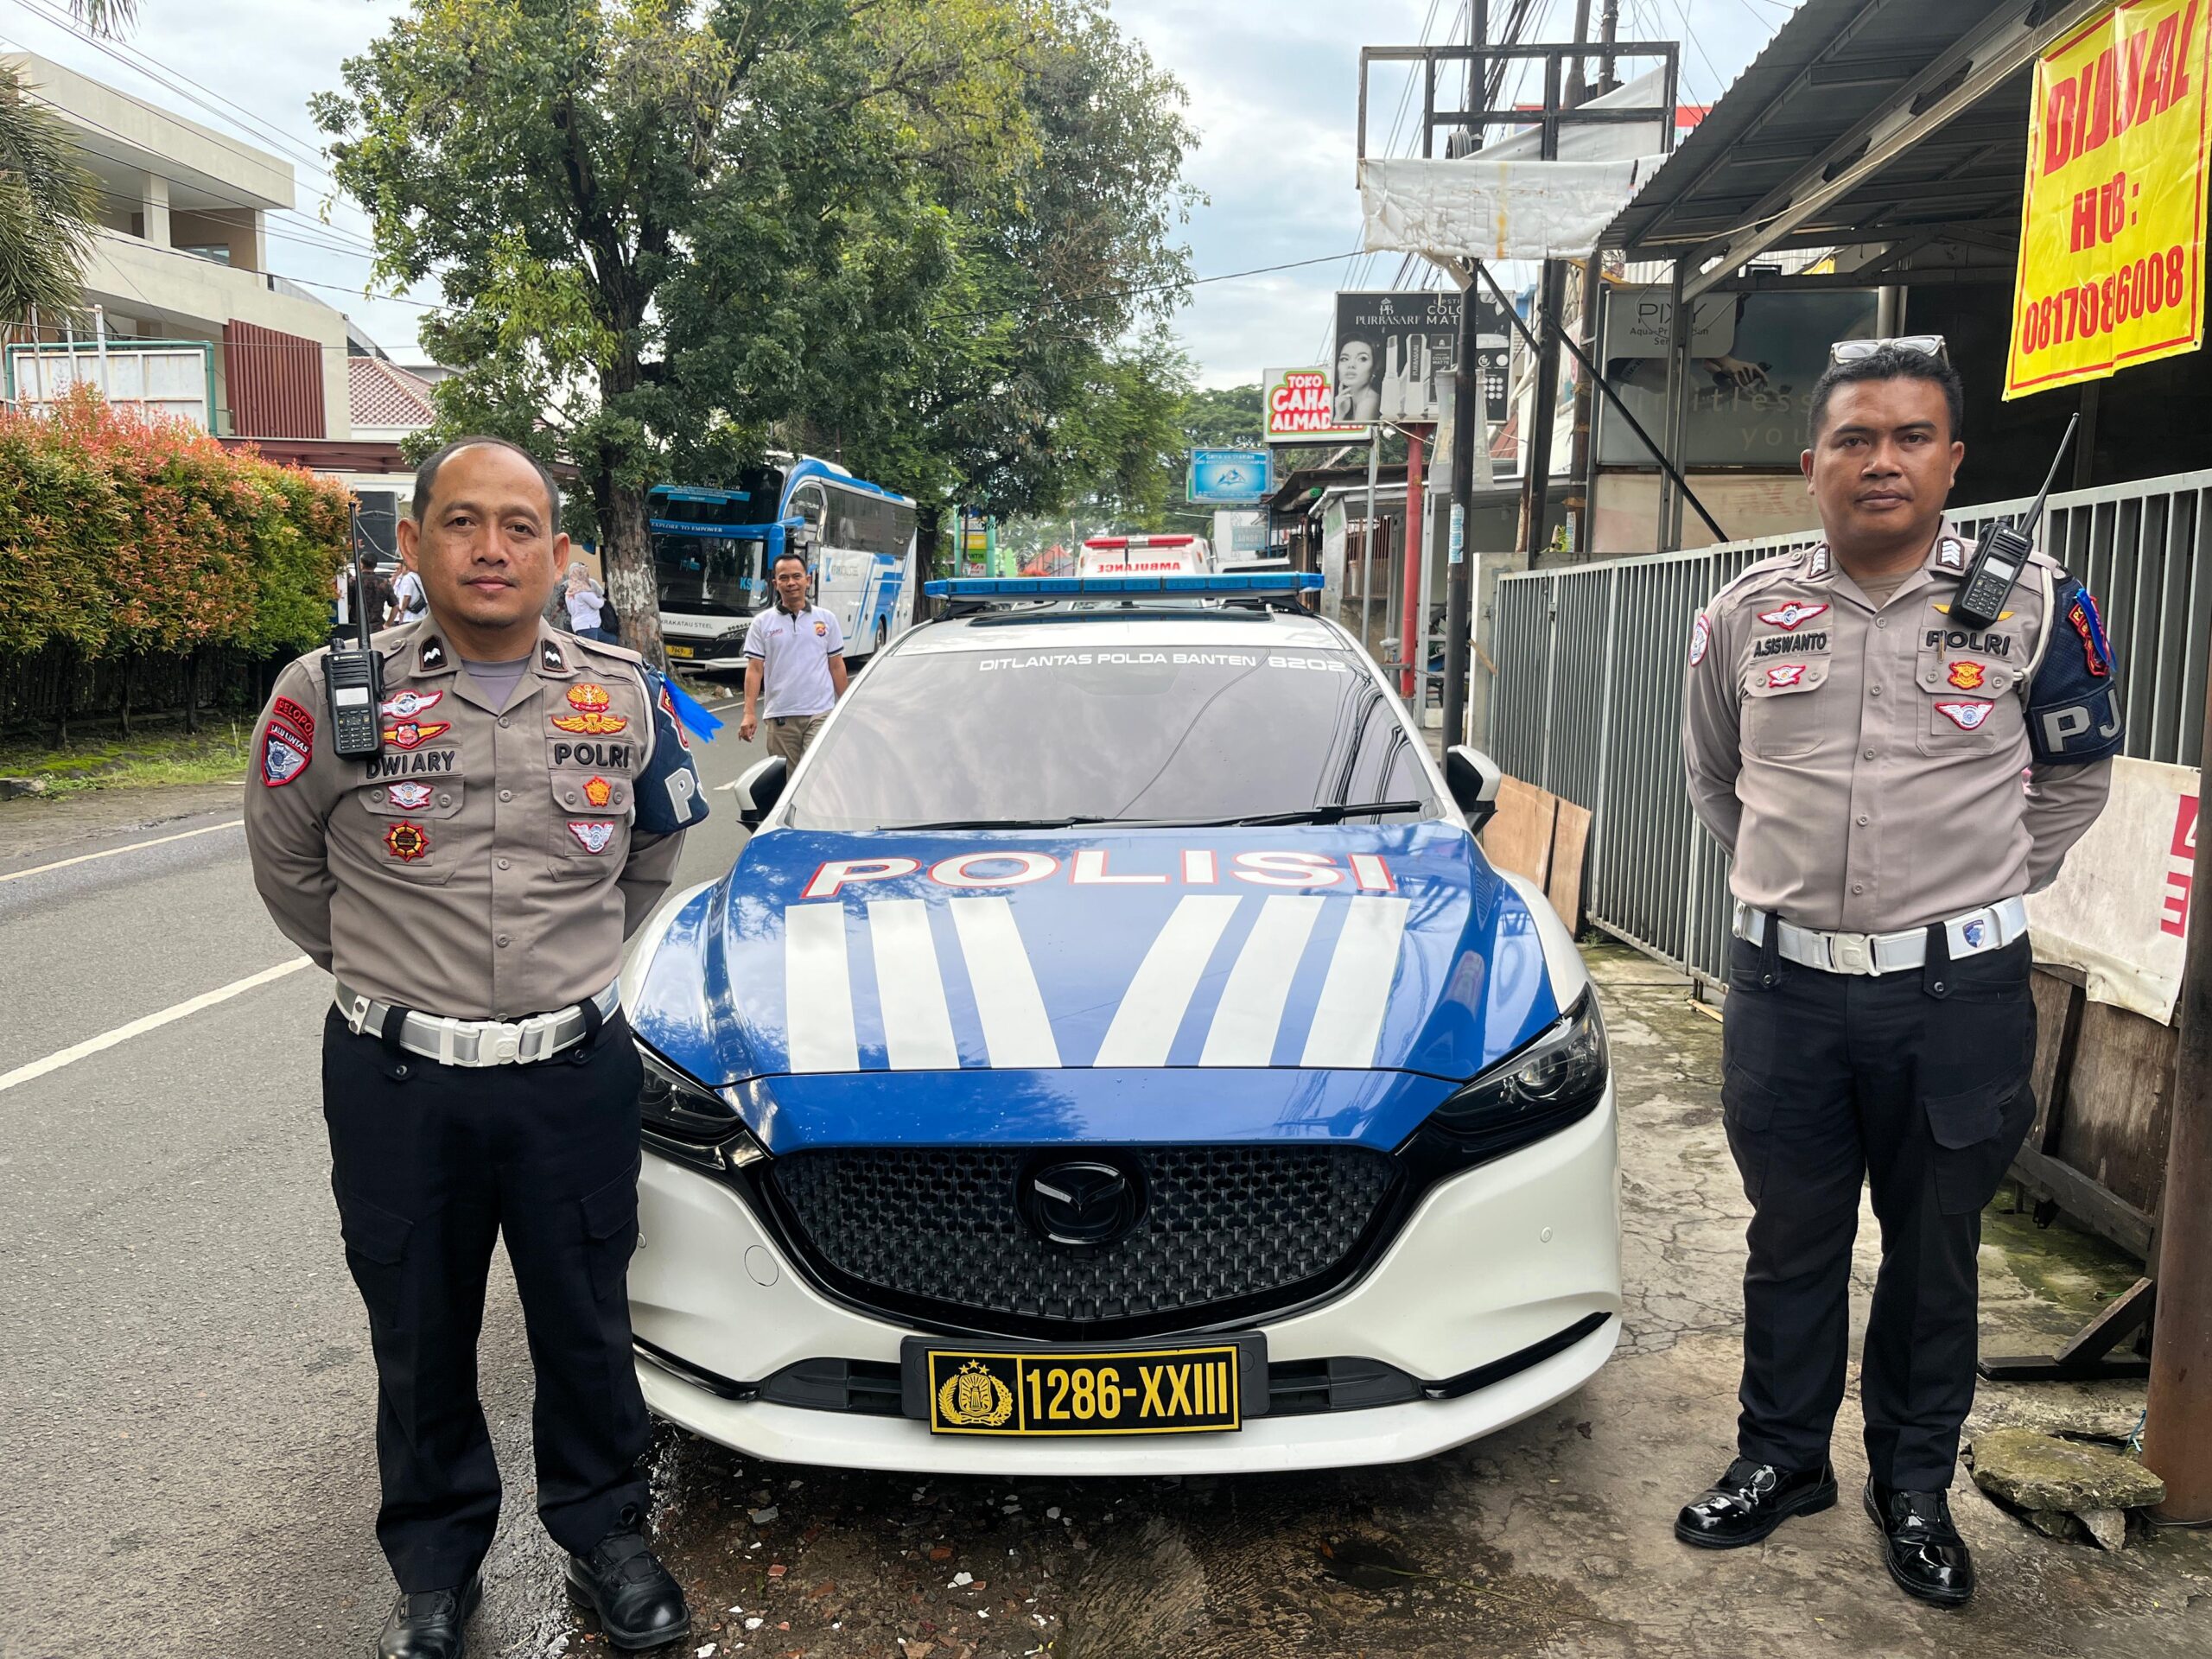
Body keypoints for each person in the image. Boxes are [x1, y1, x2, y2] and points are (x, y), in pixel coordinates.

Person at [244, 436, 709, 1659]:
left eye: (518, 526)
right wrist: (395, 984)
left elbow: (651, 855)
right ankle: (436, 1573)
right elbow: (289, 869)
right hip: (398, 1081)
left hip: (572, 1074)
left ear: (558, 555)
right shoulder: (324, 694)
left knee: (585, 1320)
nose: (490, 547)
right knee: (419, 1328)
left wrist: (562, 977)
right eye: (462, 522)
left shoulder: (624, 692)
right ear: (413, 544)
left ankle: (608, 1536)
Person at [1676, 340, 2122, 1606]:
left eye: (1912, 437)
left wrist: (1963, 890)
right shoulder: (1747, 613)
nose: (1884, 462)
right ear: (1810, 462)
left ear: (1953, 461)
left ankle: (1913, 1485)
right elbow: (1719, 778)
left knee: (1935, 1252)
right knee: (1793, 1239)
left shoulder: (2035, 603)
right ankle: (1781, 1460)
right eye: (1858, 439)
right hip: (1786, 995)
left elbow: (2077, 776)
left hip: (1957, 997)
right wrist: (1801, 898)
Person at [737, 549, 848, 767]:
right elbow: (755, 669)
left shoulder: (826, 620)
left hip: (820, 713)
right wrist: (749, 713)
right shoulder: (762, 623)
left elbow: (836, 665)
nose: (791, 583)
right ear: (775, 583)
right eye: (784, 578)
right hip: (781, 715)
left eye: (797, 576)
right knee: (787, 784)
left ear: (807, 580)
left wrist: (847, 706)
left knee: (815, 774)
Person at [1332, 335, 1382, 423]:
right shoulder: (1354, 402)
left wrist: (1339, 417)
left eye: (1362, 359)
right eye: (1344, 359)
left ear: (1374, 368)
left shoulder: (1369, 403)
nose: (1351, 365)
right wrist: (1340, 414)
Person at [563, 559, 612, 642]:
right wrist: (602, 599)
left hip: (578, 626)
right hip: (589, 626)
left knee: (611, 640)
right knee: (592, 651)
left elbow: (571, 611)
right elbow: (597, 604)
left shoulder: (569, 592)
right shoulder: (582, 590)